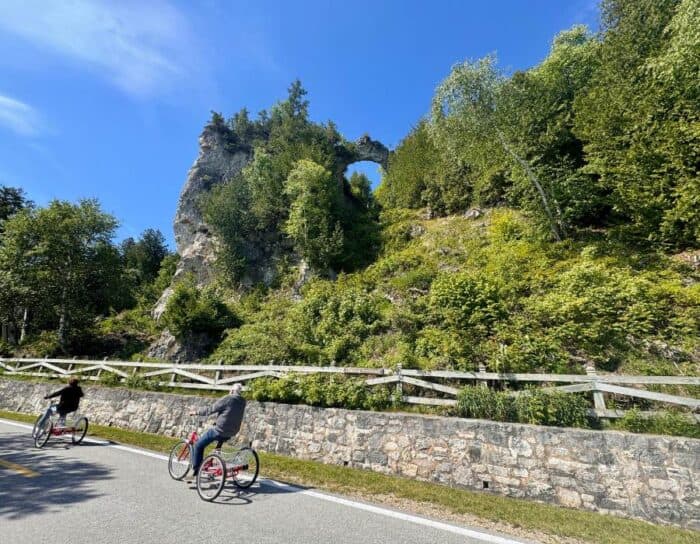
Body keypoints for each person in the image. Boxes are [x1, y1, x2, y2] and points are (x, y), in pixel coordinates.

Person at [186, 383, 246, 482]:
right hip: (232, 432)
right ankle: (211, 464)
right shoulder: (242, 402)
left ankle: (195, 471)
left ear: (231, 391)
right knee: (217, 447)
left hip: (220, 430)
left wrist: (195, 412)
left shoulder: (228, 398)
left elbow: (211, 409)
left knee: (198, 445)